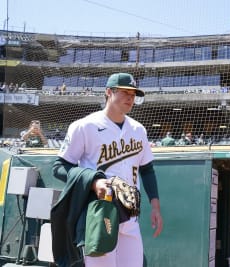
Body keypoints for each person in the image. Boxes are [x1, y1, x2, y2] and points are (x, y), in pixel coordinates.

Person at [51, 73, 163, 267]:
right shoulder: (84, 126)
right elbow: (59, 167)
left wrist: (155, 207)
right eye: (125, 92)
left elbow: (147, 169)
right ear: (108, 92)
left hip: (130, 213)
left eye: (134, 93)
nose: (130, 97)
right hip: (100, 212)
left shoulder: (139, 130)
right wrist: (93, 182)